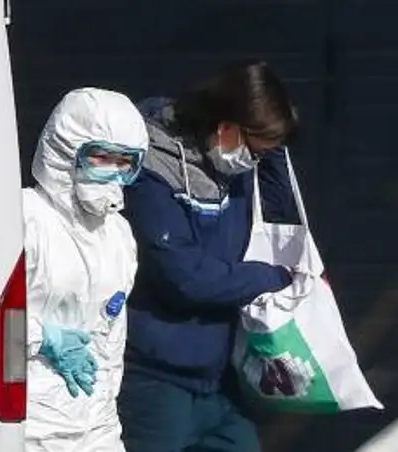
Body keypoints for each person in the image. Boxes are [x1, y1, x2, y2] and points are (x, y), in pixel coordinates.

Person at [117, 60, 302, 451]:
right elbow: (187, 278)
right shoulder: (152, 172)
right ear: (225, 125)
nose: (253, 160)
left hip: (219, 379)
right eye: (255, 149)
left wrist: (273, 147)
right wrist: (274, 277)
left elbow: (278, 206)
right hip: (156, 381)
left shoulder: (233, 164)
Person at [24, 87, 148, 452]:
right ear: (65, 151)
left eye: (124, 162)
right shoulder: (25, 218)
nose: (113, 171)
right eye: (102, 157)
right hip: (32, 424)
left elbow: (112, 332)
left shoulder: (118, 234)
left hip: (98, 423)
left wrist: (106, 405)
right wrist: (41, 337)